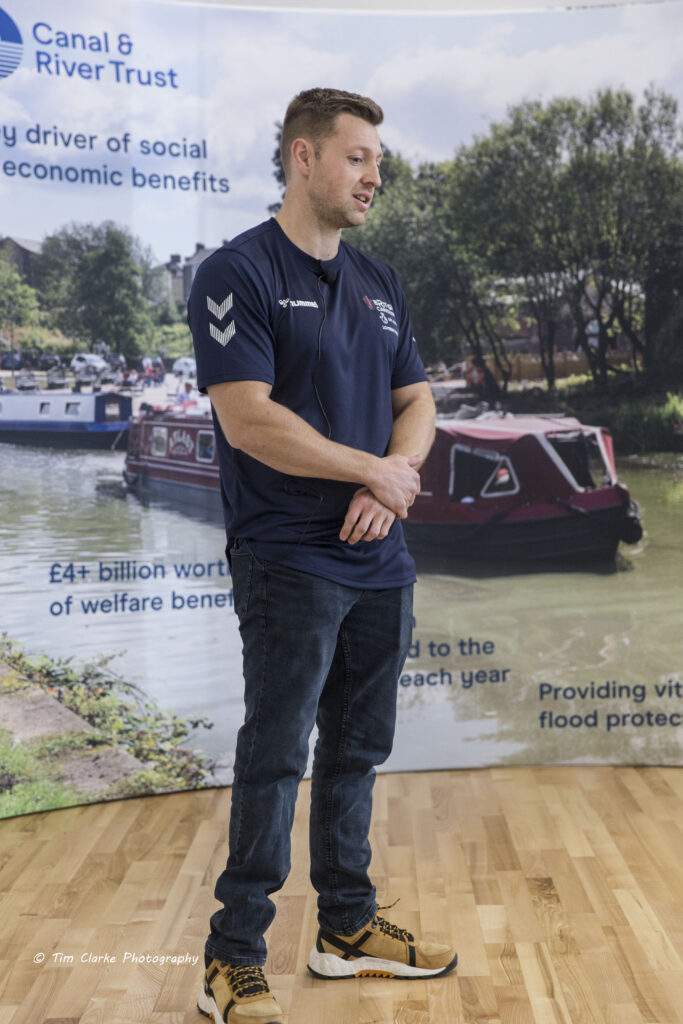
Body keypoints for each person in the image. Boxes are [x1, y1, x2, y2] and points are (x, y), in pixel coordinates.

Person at [188, 87, 457, 1024]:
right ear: (303, 158)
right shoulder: (235, 273)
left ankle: (345, 929)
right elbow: (248, 418)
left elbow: (416, 402)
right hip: (288, 559)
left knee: (358, 751)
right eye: (357, 158)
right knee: (275, 757)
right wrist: (371, 473)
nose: (374, 176)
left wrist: (392, 479)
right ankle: (232, 959)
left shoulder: (379, 282)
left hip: (378, 558)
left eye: (377, 161)